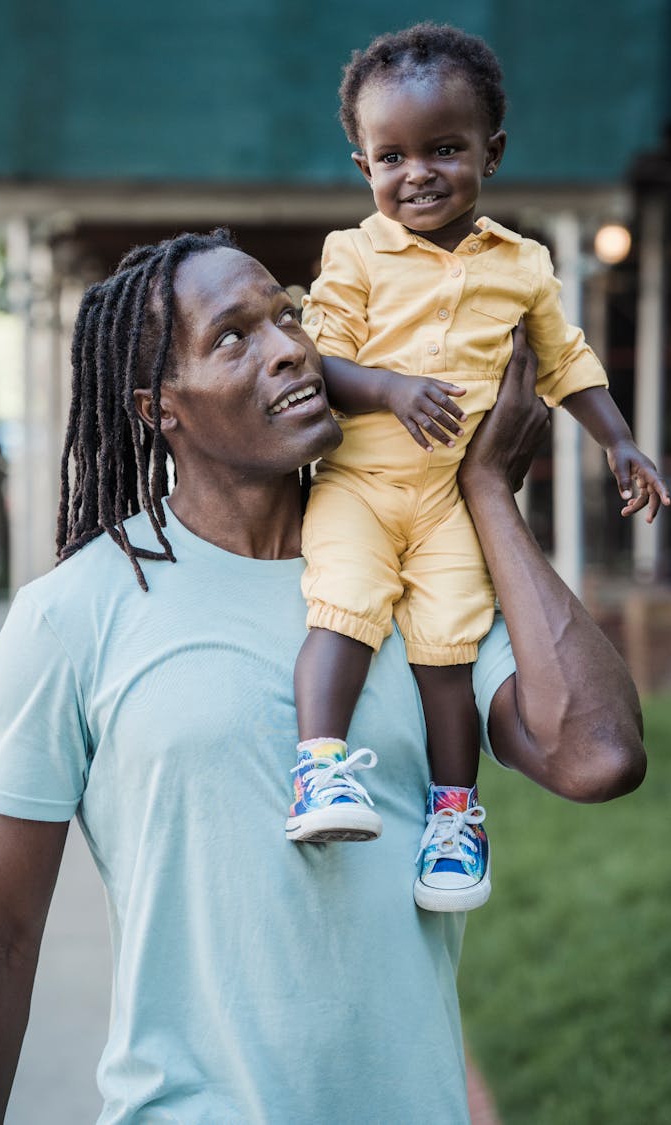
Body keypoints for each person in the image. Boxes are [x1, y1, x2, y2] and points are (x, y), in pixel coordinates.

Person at [0, 231, 646, 1125]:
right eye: (232, 338)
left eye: (288, 314)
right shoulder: (72, 617)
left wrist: (489, 495)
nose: (288, 348)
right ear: (161, 409)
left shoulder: (425, 581)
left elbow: (600, 755)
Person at [288, 23, 668, 913]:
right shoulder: (355, 254)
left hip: (454, 504)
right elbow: (319, 360)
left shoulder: (524, 264)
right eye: (392, 157)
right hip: (363, 488)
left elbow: (565, 359)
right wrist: (386, 387)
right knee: (341, 614)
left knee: (447, 654)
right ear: (363, 167)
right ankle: (320, 767)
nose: (416, 173)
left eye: (444, 150)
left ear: (491, 155)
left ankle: (454, 816)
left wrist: (618, 439)